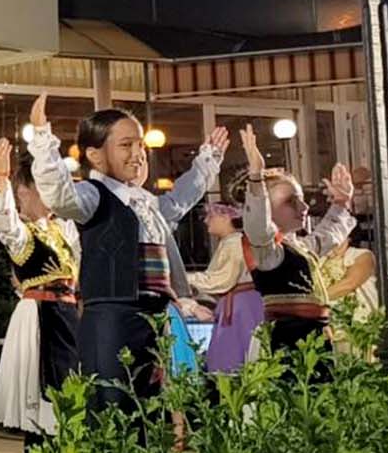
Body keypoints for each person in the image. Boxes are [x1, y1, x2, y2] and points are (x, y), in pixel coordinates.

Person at [27, 96, 226, 423]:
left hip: (154, 317)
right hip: (113, 317)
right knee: (114, 408)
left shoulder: (146, 203)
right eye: (125, 145)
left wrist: (207, 160)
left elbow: (180, 199)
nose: (138, 153)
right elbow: (60, 195)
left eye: (140, 144)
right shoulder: (93, 196)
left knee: (151, 410)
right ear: (95, 155)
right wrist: (42, 141)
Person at [0, 139, 78, 453]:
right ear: (26, 191)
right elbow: (4, 221)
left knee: (69, 393)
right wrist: (0, 177)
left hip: (68, 316)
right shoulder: (23, 234)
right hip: (41, 315)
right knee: (41, 395)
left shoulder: (63, 230)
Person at [238, 126, 357, 366]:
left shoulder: (298, 247)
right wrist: (256, 179)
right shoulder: (268, 252)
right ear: (267, 209)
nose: (304, 207)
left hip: (313, 337)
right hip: (287, 340)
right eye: (291, 201)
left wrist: (342, 202)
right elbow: (258, 227)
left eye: (301, 199)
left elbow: (327, 235)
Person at [187, 203, 262, 374]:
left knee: (233, 356)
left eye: (211, 216)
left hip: (240, 308)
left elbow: (221, 279)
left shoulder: (234, 243)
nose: (206, 221)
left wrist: (185, 278)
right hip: (238, 304)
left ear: (226, 217)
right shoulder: (230, 242)